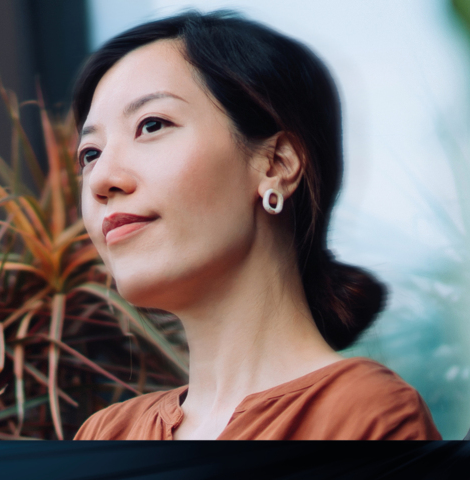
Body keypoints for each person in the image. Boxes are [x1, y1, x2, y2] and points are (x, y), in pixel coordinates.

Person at [72, 10, 441, 440]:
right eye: (90, 154)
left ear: (277, 164)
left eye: (152, 125)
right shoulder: (107, 435)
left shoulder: (363, 417)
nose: (100, 179)